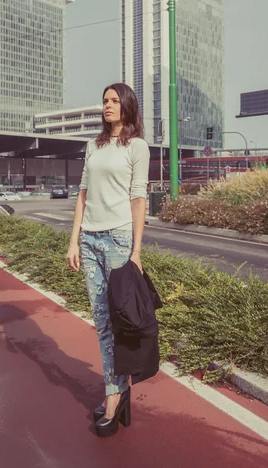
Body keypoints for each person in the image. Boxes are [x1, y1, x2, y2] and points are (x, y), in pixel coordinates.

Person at [67, 83, 150, 437]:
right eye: (105, 101)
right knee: (101, 321)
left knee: (119, 322)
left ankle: (115, 396)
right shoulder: (93, 145)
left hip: (118, 239)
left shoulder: (137, 146)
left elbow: (138, 199)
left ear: (128, 106)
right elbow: (83, 194)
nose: (108, 106)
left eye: (115, 101)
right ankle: (116, 391)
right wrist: (73, 239)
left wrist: (136, 252)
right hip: (89, 239)